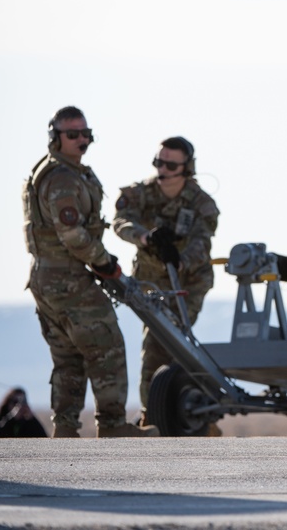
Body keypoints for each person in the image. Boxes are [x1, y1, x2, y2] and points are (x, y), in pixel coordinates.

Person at [22, 106, 159, 438]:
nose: (82, 140)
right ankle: (112, 426)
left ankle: (66, 428)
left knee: (69, 356)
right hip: (66, 278)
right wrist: (104, 263)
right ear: (56, 137)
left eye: (86, 134)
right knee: (106, 346)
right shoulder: (61, 178)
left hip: (50, 279)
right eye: (73, 135)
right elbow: (72, 234)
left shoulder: (67, 172)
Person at [113, 136, 220, 432]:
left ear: (187, 168)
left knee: (173, 341)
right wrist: (146, 237)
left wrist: (180, 259)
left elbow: (202, 241)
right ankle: (155, 416)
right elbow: (120, 222)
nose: (162, 169)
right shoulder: (139, 194)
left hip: (189, 281)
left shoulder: (202, 203)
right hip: (152, 282)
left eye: (170, 164)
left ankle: (187, 413)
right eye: (158, 162)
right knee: (155, 345)